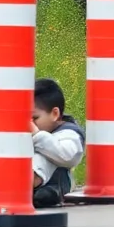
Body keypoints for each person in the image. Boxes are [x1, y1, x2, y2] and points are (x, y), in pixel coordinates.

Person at [31, 78, 85, 208]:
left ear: (55, 113)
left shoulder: (69, 133)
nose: (29, 123)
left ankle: (31, 185)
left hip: (56, 182)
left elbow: (68, 156)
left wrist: (37, 135)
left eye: (34, 118)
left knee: (48, 155)